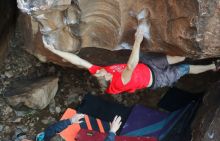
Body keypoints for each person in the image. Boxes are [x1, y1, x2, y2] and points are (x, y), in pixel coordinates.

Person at [46, 9, 220, 94]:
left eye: (99, 72)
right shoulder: (117, 84)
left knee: (179, 57)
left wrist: (54, 50)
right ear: (107, 80)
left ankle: (199, 53)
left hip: (148, 65)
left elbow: (79, 62)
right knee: (185, 68)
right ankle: (212, 65)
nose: (102, 71)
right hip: (157, 78)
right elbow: (130, 65)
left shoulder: (99, 74)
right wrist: (137, 40)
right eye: (103, 74)